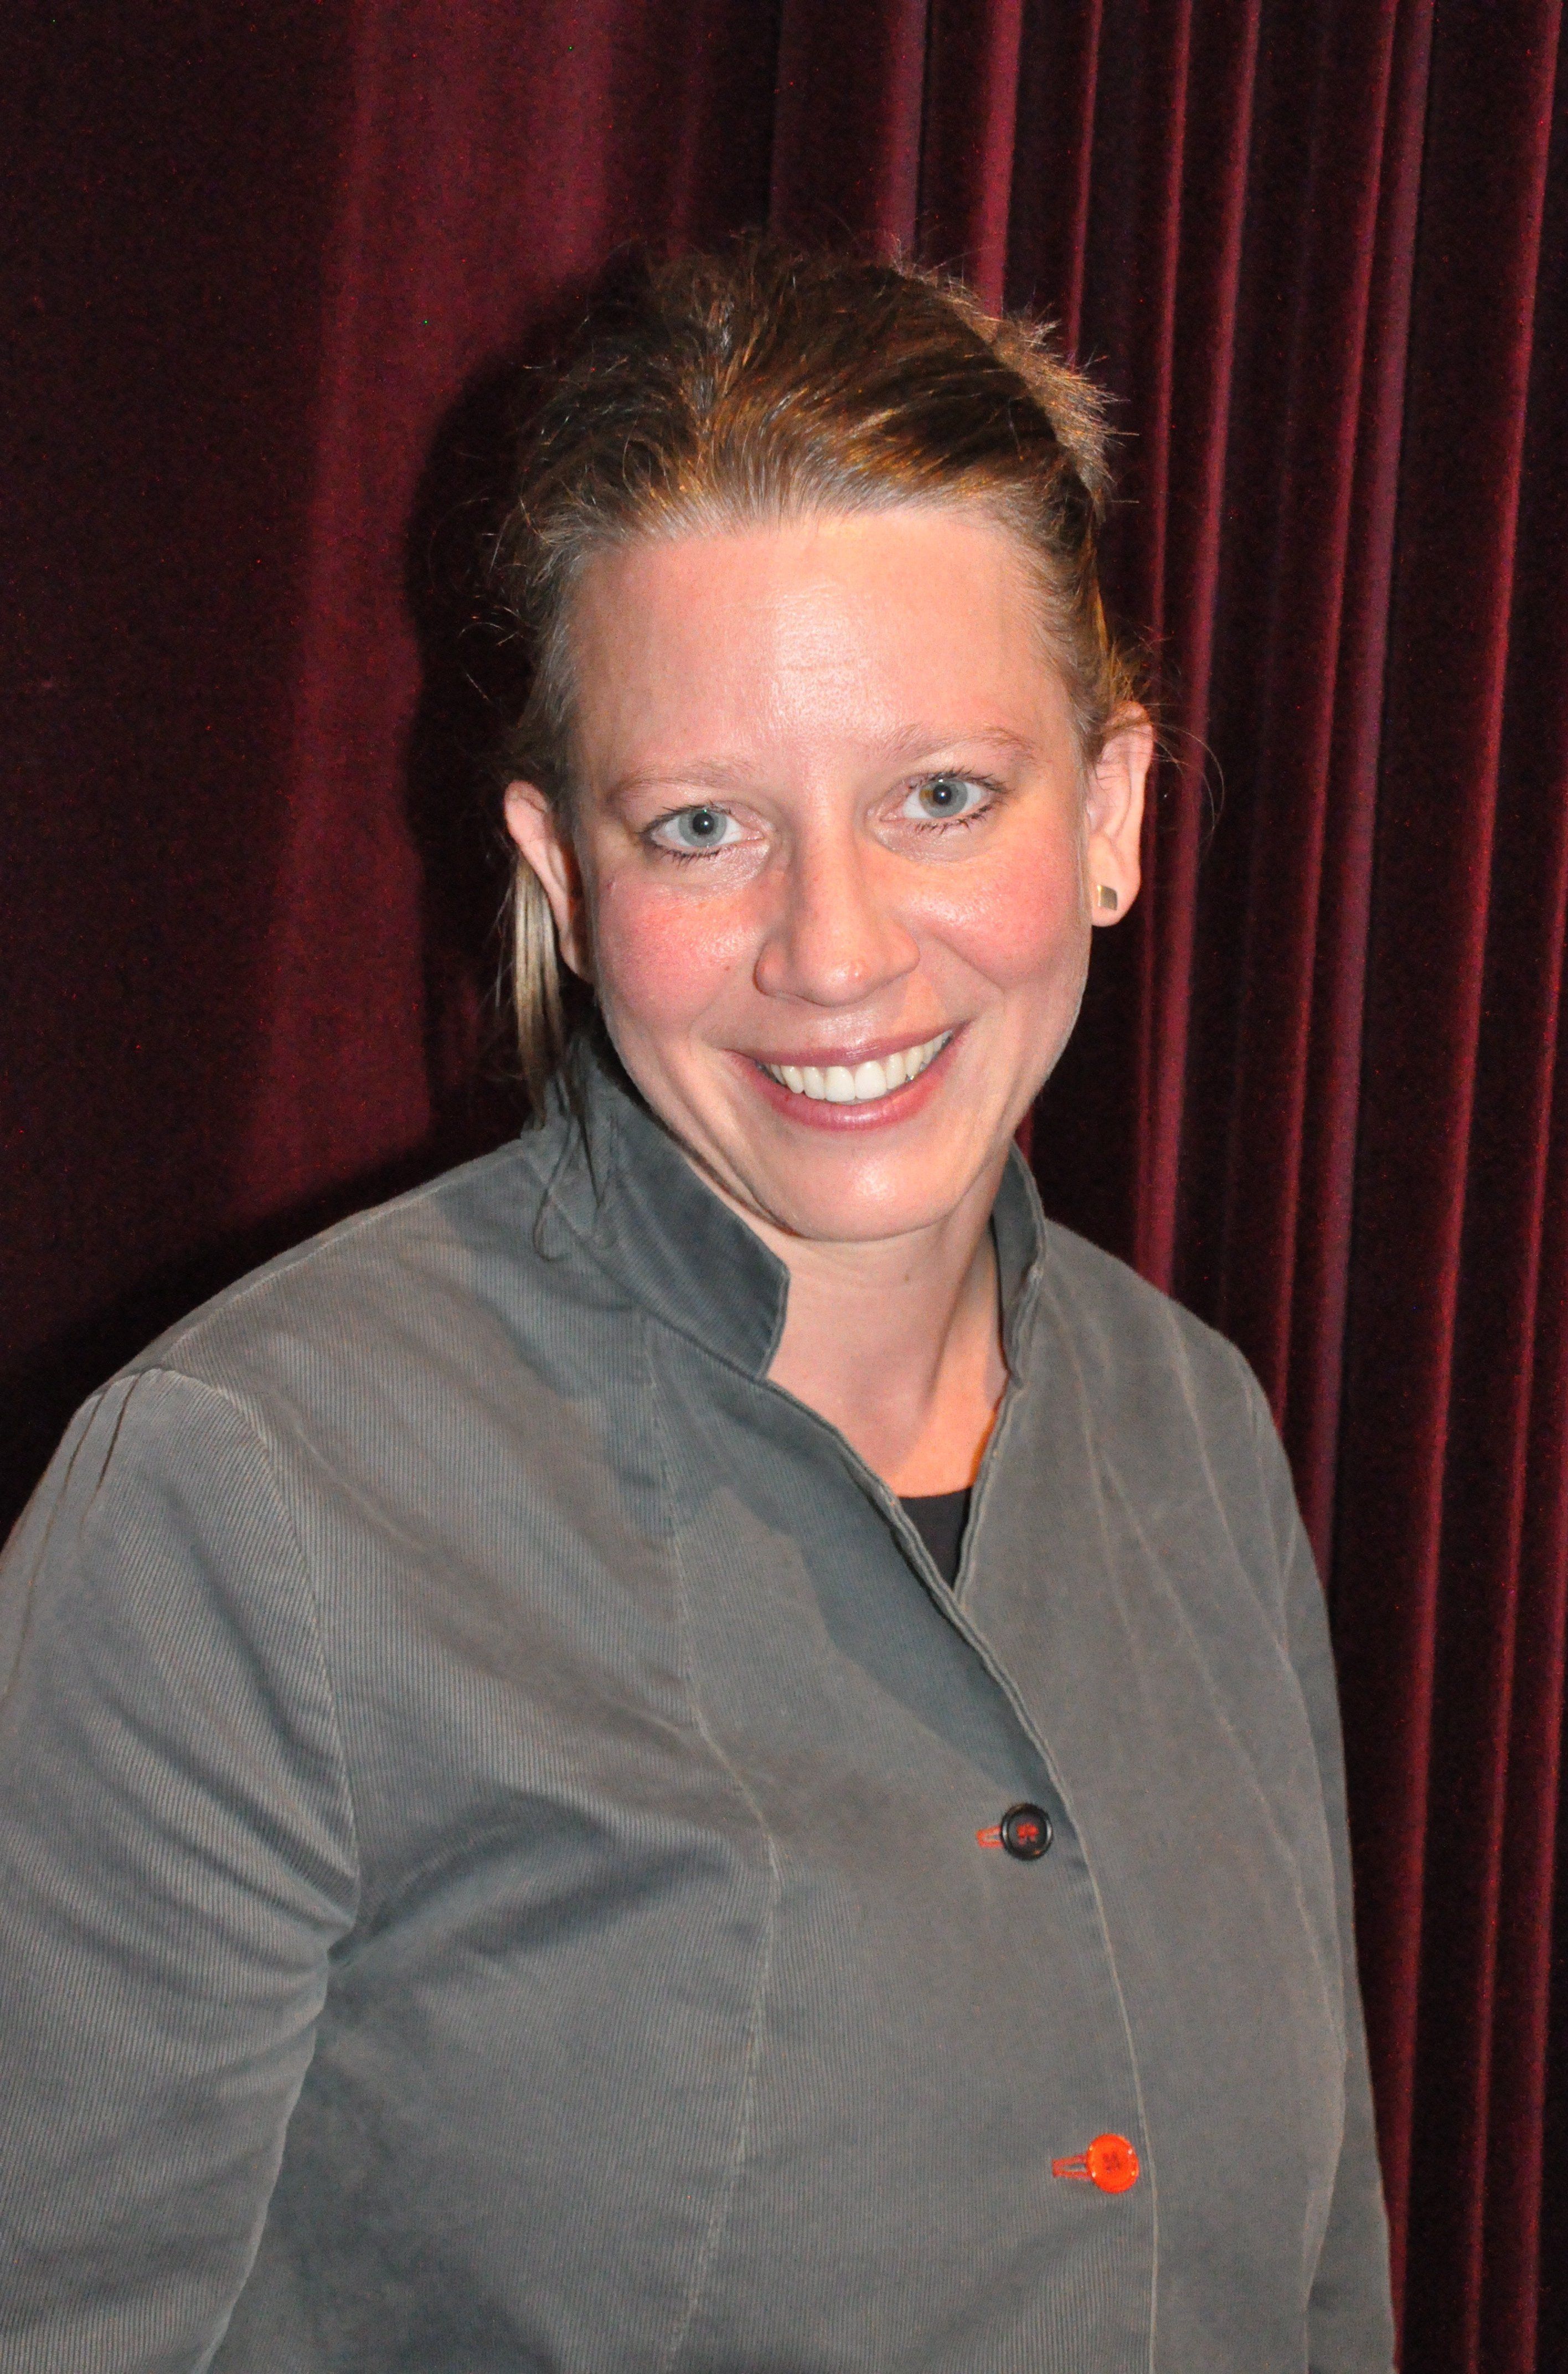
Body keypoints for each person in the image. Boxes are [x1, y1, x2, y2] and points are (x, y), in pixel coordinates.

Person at [0, 242, 1394, 2372]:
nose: (834, 950)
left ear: (1112, 814)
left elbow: (1320, 2291)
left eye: (943, 797)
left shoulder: (1198, 1428)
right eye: (706, 826)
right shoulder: (244, 1501)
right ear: (567, 879)